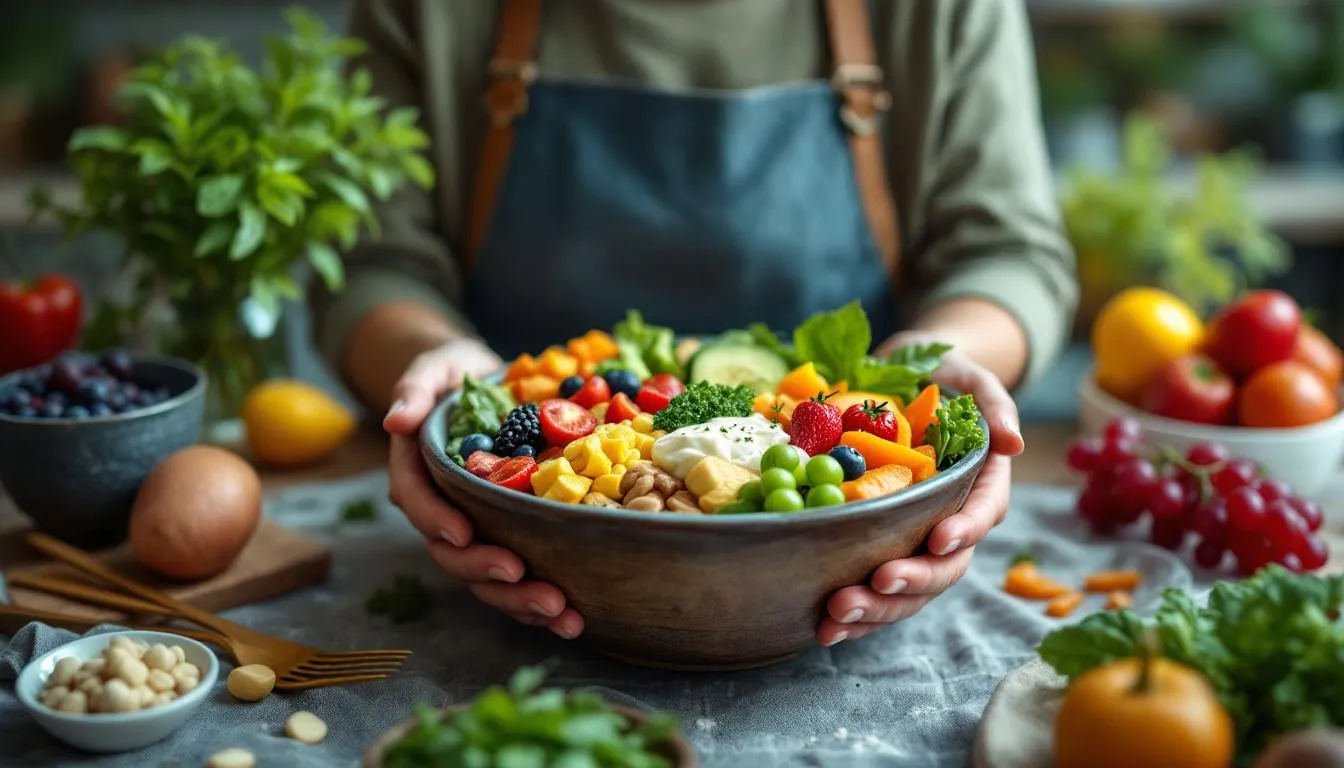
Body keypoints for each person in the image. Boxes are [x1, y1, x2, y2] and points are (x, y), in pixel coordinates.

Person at [313, 0, 1078, 647]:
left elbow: (1007, 254)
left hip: (842, 538)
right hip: (521, 523)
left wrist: (934, 364)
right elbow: (369, 263)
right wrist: (438, 365)